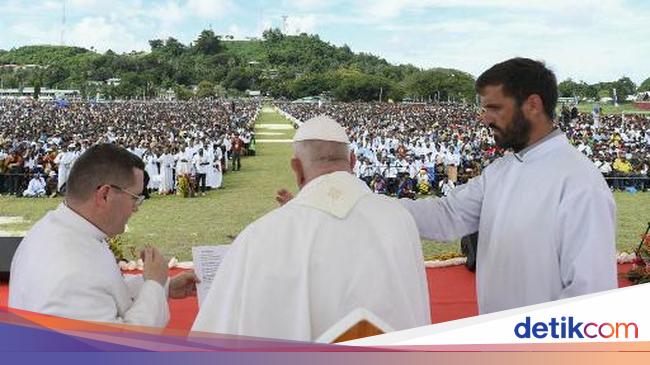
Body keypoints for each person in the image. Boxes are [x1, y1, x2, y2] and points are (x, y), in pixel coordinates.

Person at [400, 58, 617, 314]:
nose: (485, 119)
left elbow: (590, 296)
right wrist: (368, 206)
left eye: (495, 107)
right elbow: (447, 215)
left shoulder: (580, 183)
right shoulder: (500, 170)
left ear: (533, 105)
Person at [192, 116, 430, 341]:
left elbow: (216, 337)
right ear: (353, 161)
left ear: (296, 168)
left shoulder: (261, 236)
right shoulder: (399, 218)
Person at [9, 143, 199, 326]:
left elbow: (106, 288)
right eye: (135, 198)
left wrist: (165, 286)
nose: (135, 209)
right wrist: (155, 286)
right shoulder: (72, 273)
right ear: (105, 194)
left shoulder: (59, 227)